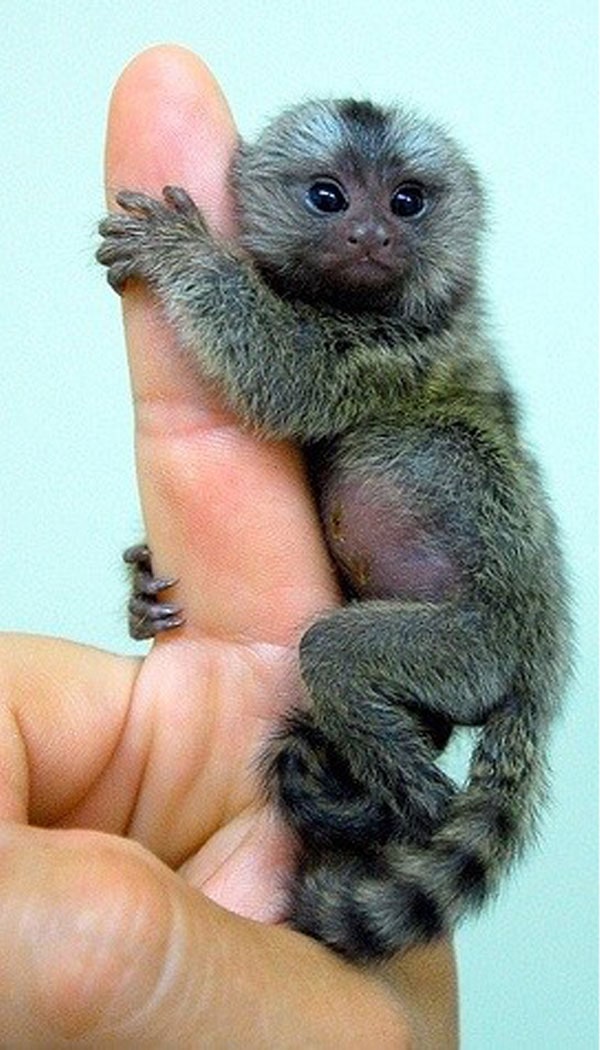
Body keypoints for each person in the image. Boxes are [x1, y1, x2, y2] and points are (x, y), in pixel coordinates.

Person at [0, 45, 457, 1046]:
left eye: (409, 204)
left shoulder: (412, 356)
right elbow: (283, 517)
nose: (373, 227)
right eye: (330, 196)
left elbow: (289, 390)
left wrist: (188, 263)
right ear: (262, 200)